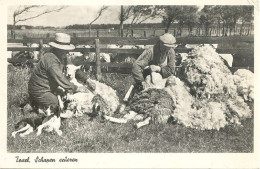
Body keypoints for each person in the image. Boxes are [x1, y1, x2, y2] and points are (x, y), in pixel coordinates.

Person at [28, 33, 94, 113]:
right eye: (64, 49)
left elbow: (74, 70)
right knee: (57, 104)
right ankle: (33, 106)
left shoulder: (62, 57)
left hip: (49, 88)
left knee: (64, 99)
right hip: (40, 90)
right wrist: (76, 88)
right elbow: (59, 78)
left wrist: (87, 79)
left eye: (67, 49)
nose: (67, 52)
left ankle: (39, 103)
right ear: (57, 48)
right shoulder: (50, 59)